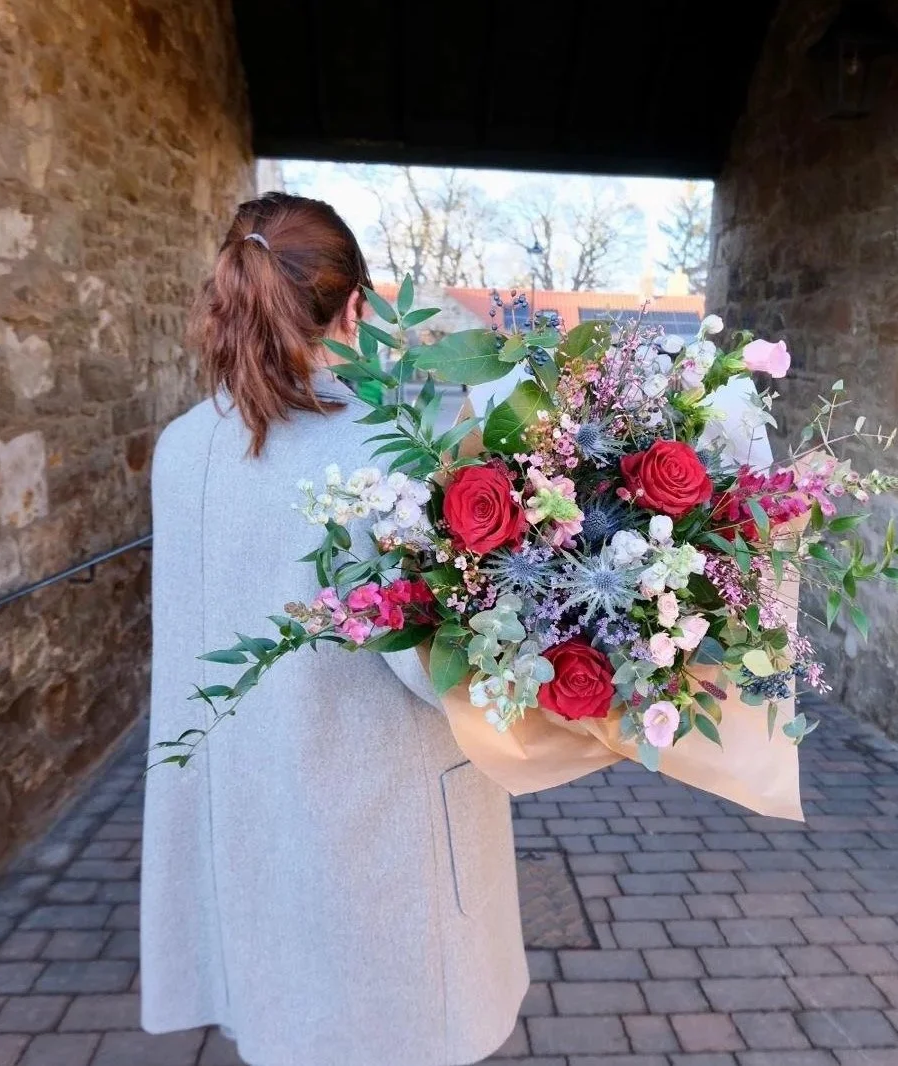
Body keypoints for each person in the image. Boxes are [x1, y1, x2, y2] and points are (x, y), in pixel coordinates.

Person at [141, 192, 528, 1066]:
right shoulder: (403, 435)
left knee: (289, 1031)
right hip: (383, 843)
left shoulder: (180, 448)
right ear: (359, 304)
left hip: (250, 824)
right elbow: (437, 670)